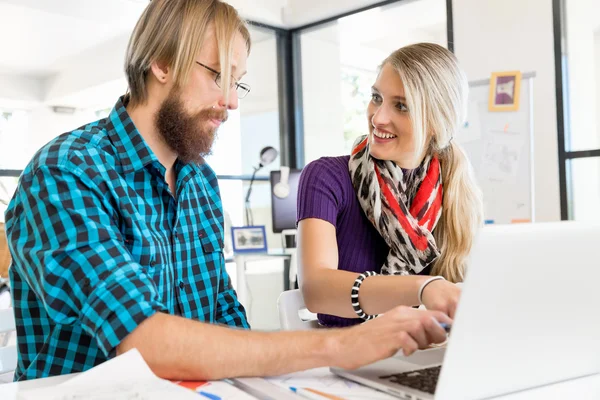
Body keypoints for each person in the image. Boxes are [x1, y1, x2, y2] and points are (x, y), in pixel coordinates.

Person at [4, 0, 452, 382]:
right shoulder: (68, 171)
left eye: (236, 83)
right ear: (161, 62)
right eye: (218, 75)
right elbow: (142, 341)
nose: (232, 102)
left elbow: (222, 314)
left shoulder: (199, 182)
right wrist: (336, 346)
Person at [297, 43, 484, 328]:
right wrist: (423, 288)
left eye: (401, 106)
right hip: (347, 354)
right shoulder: (326, 176)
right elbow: (316, 290)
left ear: (436, 122)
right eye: (376, 97)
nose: (378, 117)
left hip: (426, 354)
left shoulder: (455, 190)